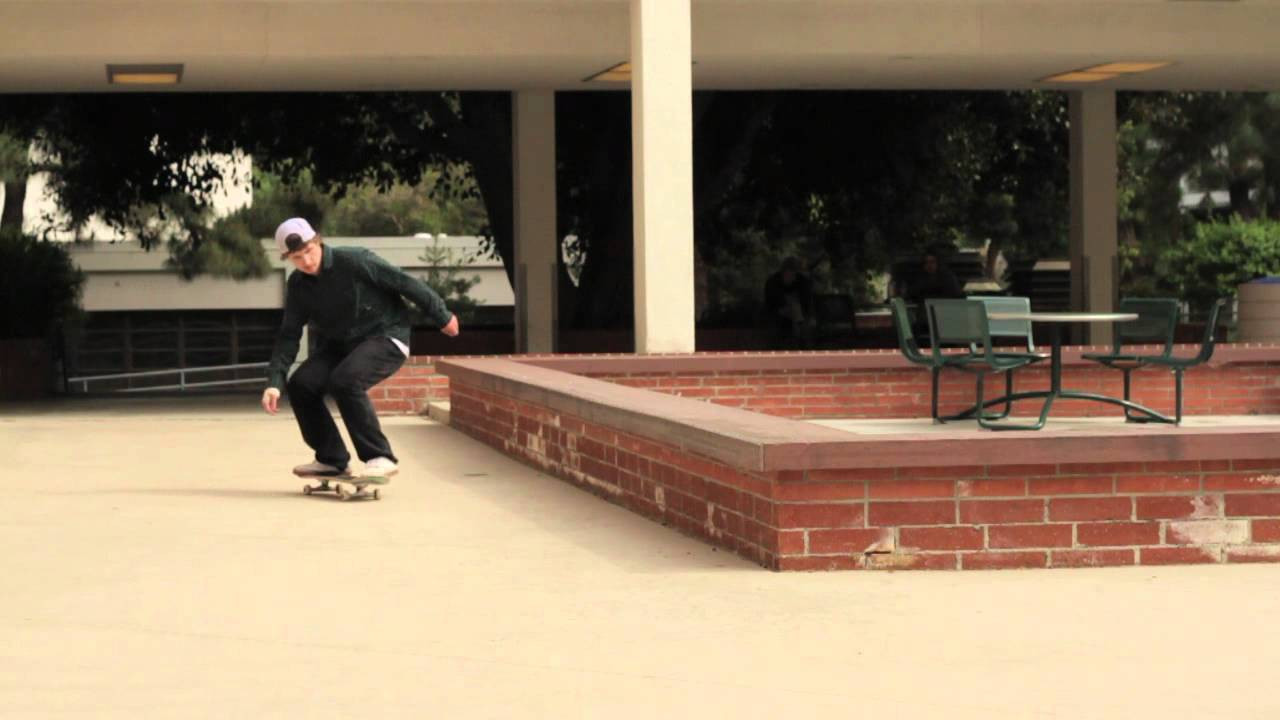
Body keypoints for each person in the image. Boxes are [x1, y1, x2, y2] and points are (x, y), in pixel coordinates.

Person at [261, 217, 459, 479]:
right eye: (297, 258)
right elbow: (289, 334)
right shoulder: (298, 285)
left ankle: (380, 457)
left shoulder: (354, 261)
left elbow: (404, 283)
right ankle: (332, 459)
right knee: (301, 384)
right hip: (341, 346)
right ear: (289, 259)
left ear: (318, 241)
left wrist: (442, 316)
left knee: (345, 381)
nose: (307, 262)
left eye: (309, 251)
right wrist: (275, 380)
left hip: (386, 336)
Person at [763, 256, 814, 349]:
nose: (792, 277)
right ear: (784, 272)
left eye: (794, 273)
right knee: (775, 331)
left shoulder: (802, 282)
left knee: (805, 331)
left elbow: (807, 304)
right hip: (777, 316)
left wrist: (799, 315)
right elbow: (770, 305)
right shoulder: (773, 283)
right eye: (789, 273)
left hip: (799, 316)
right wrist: (782, 310)